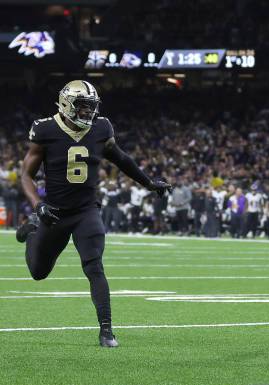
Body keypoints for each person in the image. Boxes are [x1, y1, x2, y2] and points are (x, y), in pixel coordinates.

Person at [16, 80, 172, 347]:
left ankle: (107, 330)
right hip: (53, 212)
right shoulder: (46, 129)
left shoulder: (102, 128)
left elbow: (122, 159)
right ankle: (32, 230)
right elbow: (26, 175)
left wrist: (148, 183)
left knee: (94, 265)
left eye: (92, 107)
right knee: (38, 272)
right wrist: (37, 206)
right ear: (67, 104)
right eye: (83, 107)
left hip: (86, 211)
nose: (89, 113)